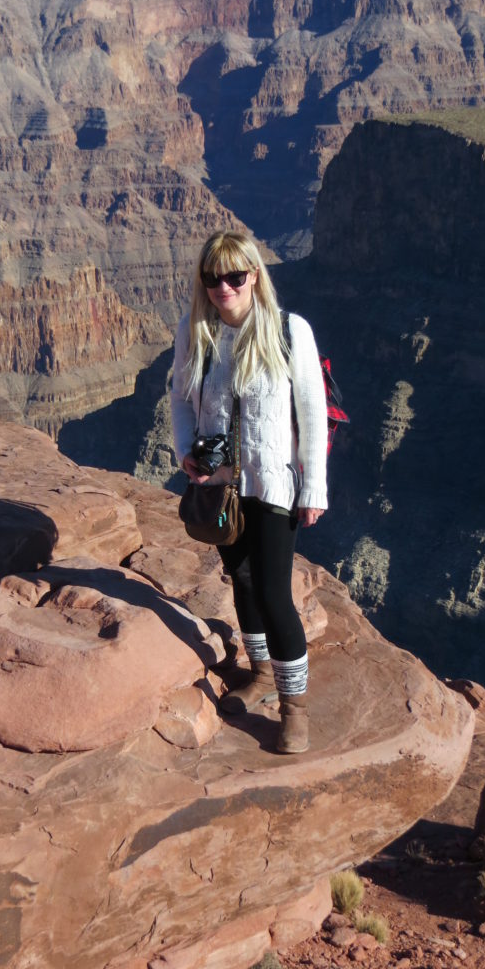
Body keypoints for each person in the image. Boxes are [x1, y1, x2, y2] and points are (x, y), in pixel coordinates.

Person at [170, 230, 329, 754]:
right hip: (222, 485)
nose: (223, 287)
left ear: (254, 276)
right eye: (212, 278)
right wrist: (184, 453)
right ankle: (261, 674)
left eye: (235, 276)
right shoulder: (198, 332)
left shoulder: (288, 330)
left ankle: (295, 710)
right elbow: (179, 399)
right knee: (238, 578)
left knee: (273, 593)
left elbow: (310, 409)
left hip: (275, 483)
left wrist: (315, 487)